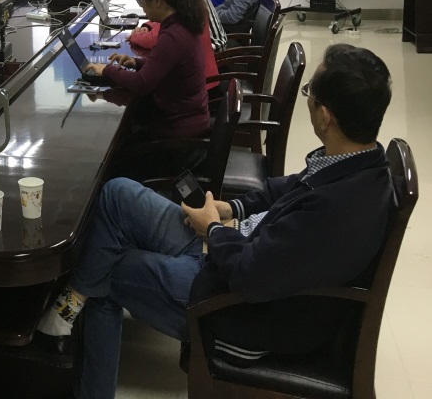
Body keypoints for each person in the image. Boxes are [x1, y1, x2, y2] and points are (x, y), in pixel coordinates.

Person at [35, 44, 395, 399]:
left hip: (236, 307)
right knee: (117, 194)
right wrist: (231, 210)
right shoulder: (355, 165)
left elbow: (251, 276)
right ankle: (72, 304)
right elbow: (285, 190)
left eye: (309, 94)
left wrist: (214, 230)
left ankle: (82, 354)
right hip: (231, 250)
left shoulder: (336, 209)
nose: (308, 101)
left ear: (325, 116)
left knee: (104, 270)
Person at [84, 0, 209, 140]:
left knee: (112, 137)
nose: (141, 6)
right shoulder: (183, 21)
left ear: (157, 1)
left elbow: (142, 84)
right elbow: (167, 66)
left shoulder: (172, 36)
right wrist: (136, 62)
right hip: (189, 121)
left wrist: (106, 70)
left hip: (178, 134)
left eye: (141, 0)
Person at [129, 0, 223, 96]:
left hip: (203, 91)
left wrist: (106, 70)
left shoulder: (177, 24)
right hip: (202, 86)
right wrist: (136, 62)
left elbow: (142, 81)